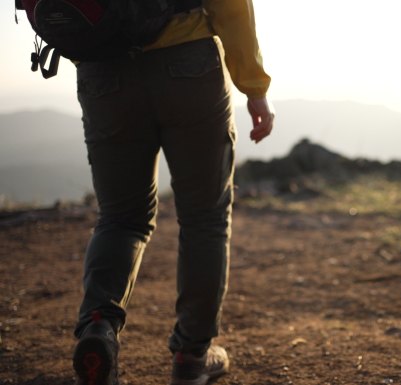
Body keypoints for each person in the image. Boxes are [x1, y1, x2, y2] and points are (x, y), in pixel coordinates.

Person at [69, 1, 274, 384]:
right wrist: (254, 86)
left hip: (102, 69)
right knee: (204, 218)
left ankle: (99, 325)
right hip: (186, 62)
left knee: (120, 218)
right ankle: (192, 356)